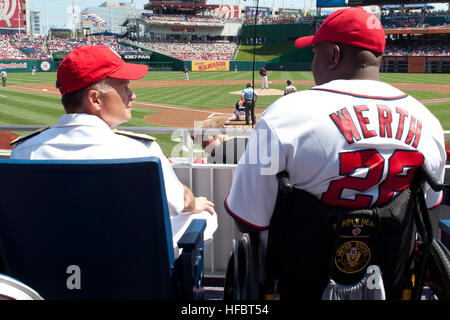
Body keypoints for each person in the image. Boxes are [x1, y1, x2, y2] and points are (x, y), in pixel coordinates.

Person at [224, 7, 445, 295]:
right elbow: (425, 209)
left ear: (333, 55)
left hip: (299, 284)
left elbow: (246, 219)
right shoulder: (428, 122)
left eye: (316, 52)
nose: (313, 61)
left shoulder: (283, 115)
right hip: (391, 283)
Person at [9, 45, 216, 249]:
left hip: (44, 273)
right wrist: (194, 203)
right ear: (95, 99)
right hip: (127, 275)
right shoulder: (141, 151)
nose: (132, 95)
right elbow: (181, 202)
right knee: (204, 215)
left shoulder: (24, 151)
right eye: (124, 87)